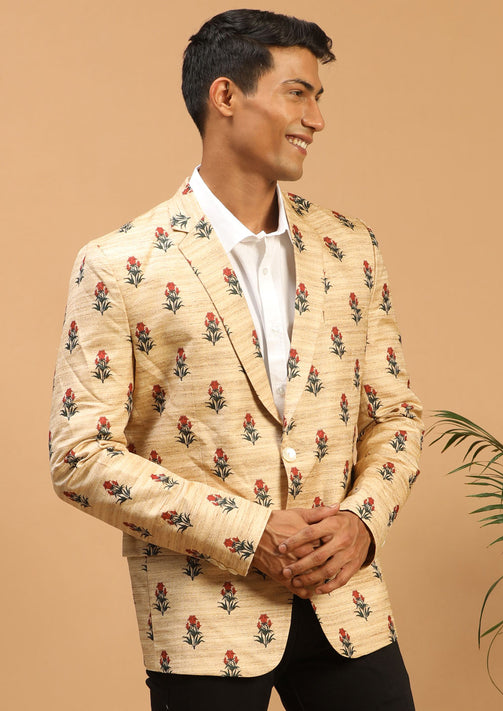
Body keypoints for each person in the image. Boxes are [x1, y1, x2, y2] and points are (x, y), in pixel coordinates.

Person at [49, 9, 423, 711]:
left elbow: (396, 416)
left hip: (347, 606)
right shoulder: (119, 264)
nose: (316, 119)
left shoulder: (351, 248)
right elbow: (79, 456)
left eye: (318, 97)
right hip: (201, 619)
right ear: (225, 95)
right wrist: (249, 532)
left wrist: (363, 522)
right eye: (297, 93)